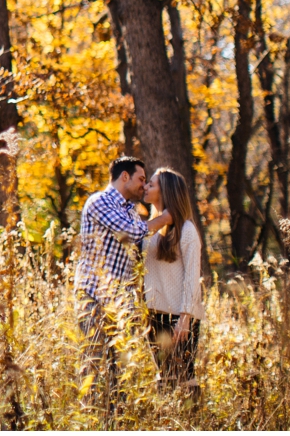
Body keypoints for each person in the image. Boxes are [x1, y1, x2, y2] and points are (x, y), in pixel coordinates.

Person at [75, 156, 171, 410]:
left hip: (119, 303)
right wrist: (166, 218)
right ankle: (92, 419)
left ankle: (114, 420)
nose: (144, 185)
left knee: (117, 366)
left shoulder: (130, 210)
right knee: (94, 363)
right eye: (141, 179)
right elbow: (130, 233)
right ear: (124, 177)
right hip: (94, 296)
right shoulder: (100, 202)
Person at [142, 167, 204, 394]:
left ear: (166, 191)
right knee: (164, 375)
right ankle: (167, 424)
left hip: (179, 315)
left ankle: (193, 424)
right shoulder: (153, 229)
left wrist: (185, 317)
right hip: (155, 313)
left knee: (185, 375)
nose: (146, 187)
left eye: (151, 184)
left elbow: (192, 277)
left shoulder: (186, 230)